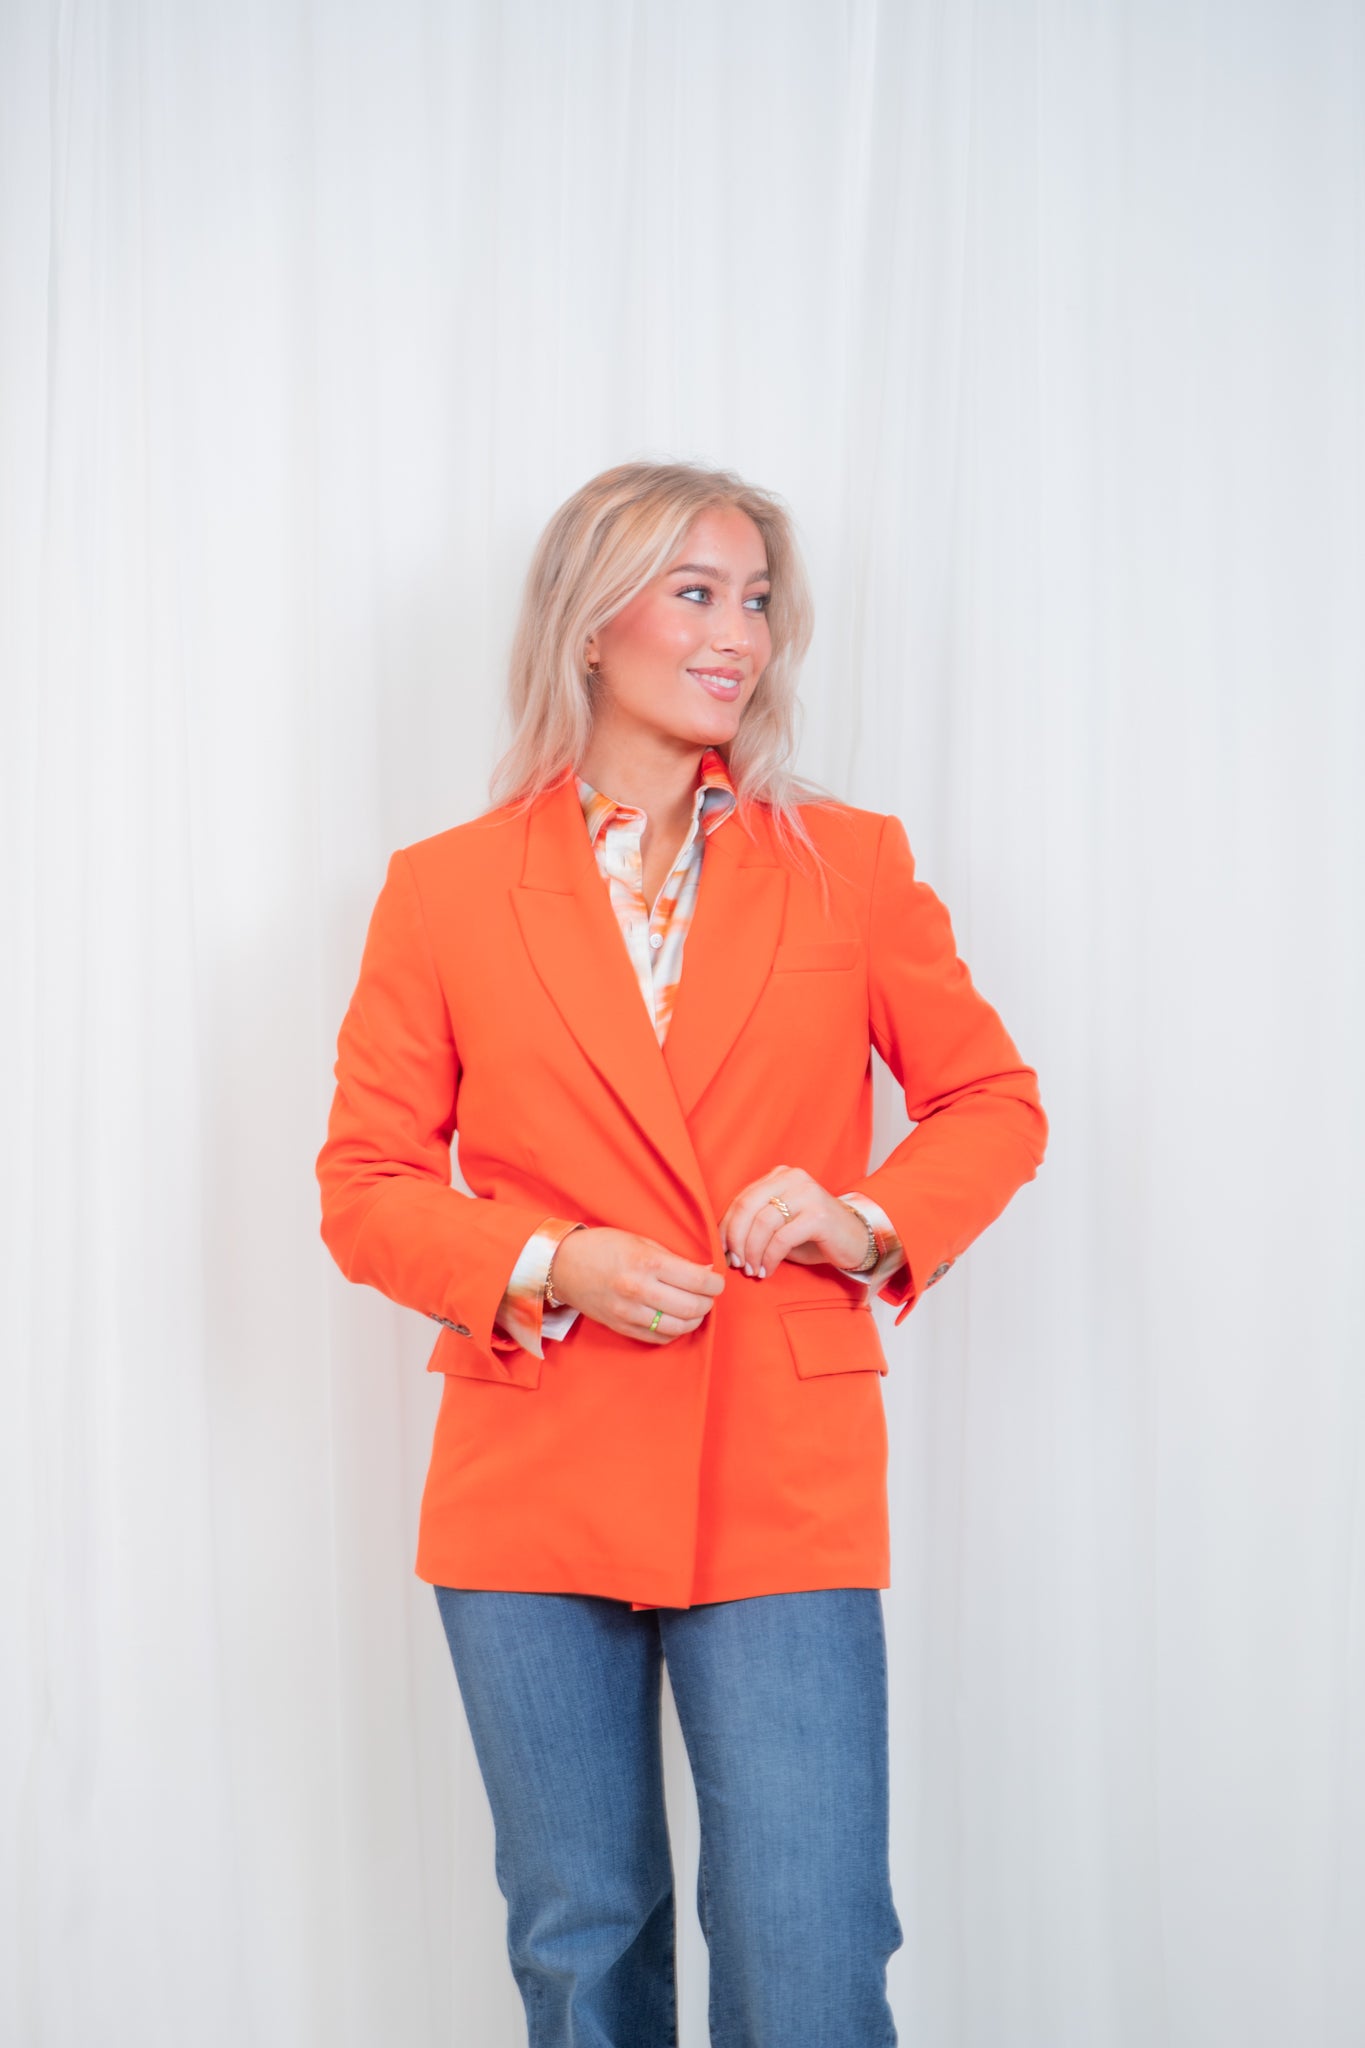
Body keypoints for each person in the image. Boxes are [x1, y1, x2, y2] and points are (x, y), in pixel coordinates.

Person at [315, 459, 1048, 2047]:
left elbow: (989, 1102)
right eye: (696, 593)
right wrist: (549, 1261)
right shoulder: (445, 890)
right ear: (590, 626)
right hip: (535, 1462)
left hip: (778, 1460)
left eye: (758, 601)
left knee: (808, 1939)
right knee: (581, 1943)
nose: (738, 636)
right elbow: (365, 1184)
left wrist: (862, 1218)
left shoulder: (845, 861)